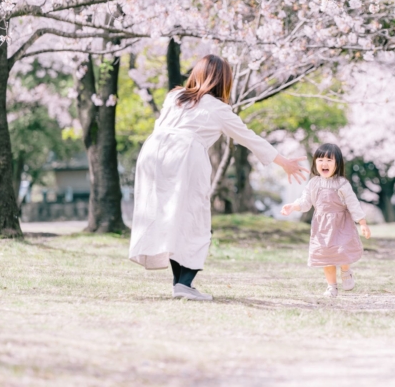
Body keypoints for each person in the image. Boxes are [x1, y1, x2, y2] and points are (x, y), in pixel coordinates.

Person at [129, 54, 309, 301]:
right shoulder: (218, 109)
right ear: (224, 80)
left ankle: (181, 284)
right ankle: (183, 284)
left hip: (153, 152)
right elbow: (250, 138)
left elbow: (161, 126)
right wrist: (284, 162)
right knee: (194, 218)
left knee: (169, 216)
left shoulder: (175, 97)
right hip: (185, 155)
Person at [280, 143, 372, 298]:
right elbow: (305, 202)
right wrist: (293, 206)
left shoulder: (342, 184)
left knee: (343, 250)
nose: (324, 163)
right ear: (315, 162)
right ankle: (332, 286)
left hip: (341, 224)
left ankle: (346, 271)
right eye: (320, 159)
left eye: (329, 160)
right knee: (326, 257)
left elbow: (353, 204)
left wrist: (362, 223)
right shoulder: (314, 183)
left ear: (337, 164)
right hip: (322, 227)